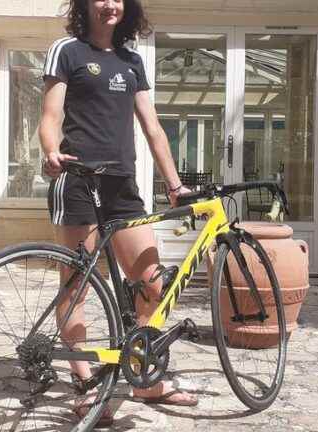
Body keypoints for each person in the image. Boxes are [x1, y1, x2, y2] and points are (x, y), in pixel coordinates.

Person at [38, 0, 198, 426]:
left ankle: (143, 377)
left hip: (122, 186)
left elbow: (152, 126)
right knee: (78, 288)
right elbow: (50, 116)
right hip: (77, 181)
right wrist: (51, 151)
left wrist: (175, 184)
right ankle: (86, 385)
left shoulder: (132, 61)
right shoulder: (67, 50)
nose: (111, 4)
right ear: (85, 4)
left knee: (152, 283)